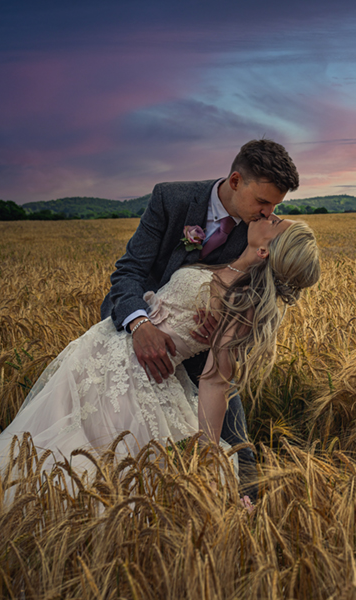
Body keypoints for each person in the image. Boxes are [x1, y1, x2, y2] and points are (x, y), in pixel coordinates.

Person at [0, 218, 321, 488]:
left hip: (133, 380)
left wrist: (208, 452)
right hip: (101, 353)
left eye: (274, 222)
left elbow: (213, 382)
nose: (268, 215)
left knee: (86, 466)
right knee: (49, 442)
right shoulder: (228, 266)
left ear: (265, 250)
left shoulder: (240, 309)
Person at [100, 139, 299, 500]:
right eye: (263, 202)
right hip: (137, 330)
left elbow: (253, 299)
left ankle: (246, 511)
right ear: (236, 180)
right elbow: (130, 271)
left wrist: (219, 328)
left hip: (202, 345)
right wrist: (140, 325)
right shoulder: (170, 199)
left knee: (235, 442)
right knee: (116, 435)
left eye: (276, 205)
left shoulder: (261, 234)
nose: (270, 213)